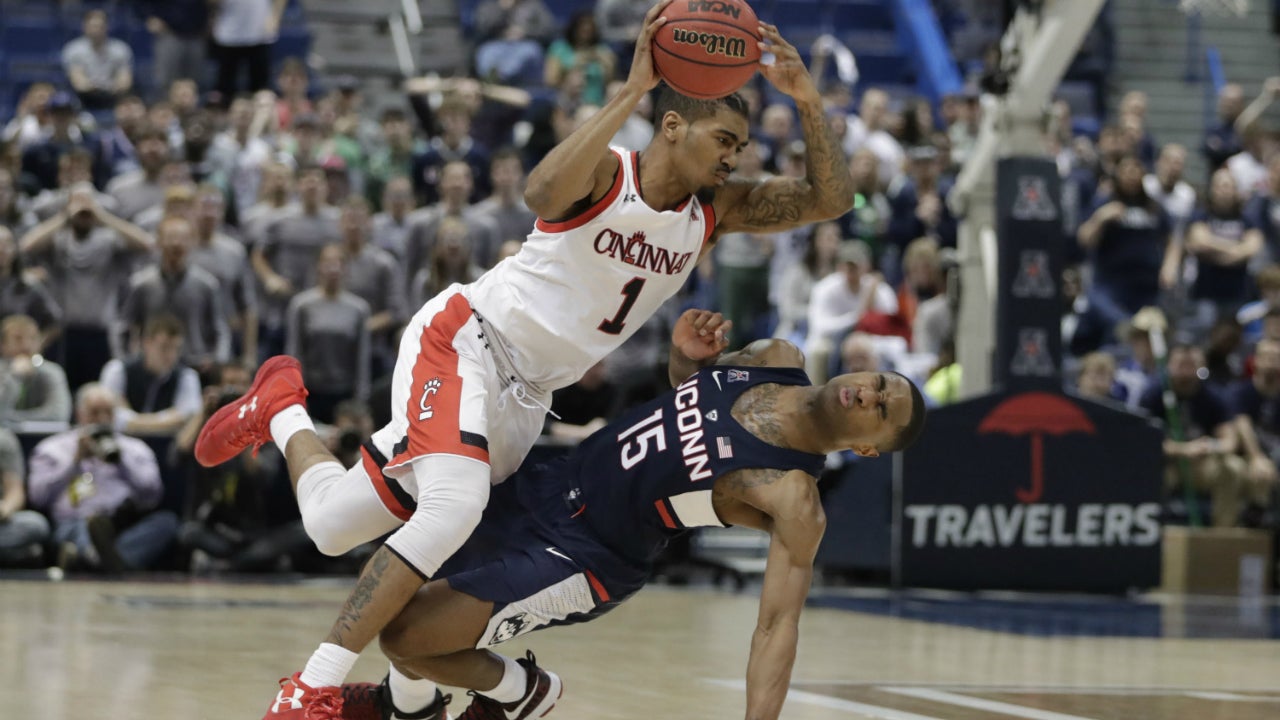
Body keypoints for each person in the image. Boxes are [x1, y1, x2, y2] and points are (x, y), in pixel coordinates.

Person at [196, 4, 854, 717]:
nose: (736, 155)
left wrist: (809, 101)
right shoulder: (608, 173)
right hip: (468, 342)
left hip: (526, 398)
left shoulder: (712, 213)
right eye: (725, 138)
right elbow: (542, 193)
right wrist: (631, 91)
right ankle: (314, 688)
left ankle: (280, 404)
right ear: (673, 126)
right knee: (452, 507)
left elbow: (830, 197)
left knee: (329, 525)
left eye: (743, 144)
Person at [329, 311, 926, 720]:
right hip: (549, 480)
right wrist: (682, 359)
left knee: (404, 637)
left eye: (881, 409)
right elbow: (688, 399)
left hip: (586, 557)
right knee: (393, 588)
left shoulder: (794, 496)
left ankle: (520, 690)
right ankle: (410, 706)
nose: (867, 394)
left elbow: (776, 628)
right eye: (878, 383)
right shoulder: (775, 356)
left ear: (868, 447)